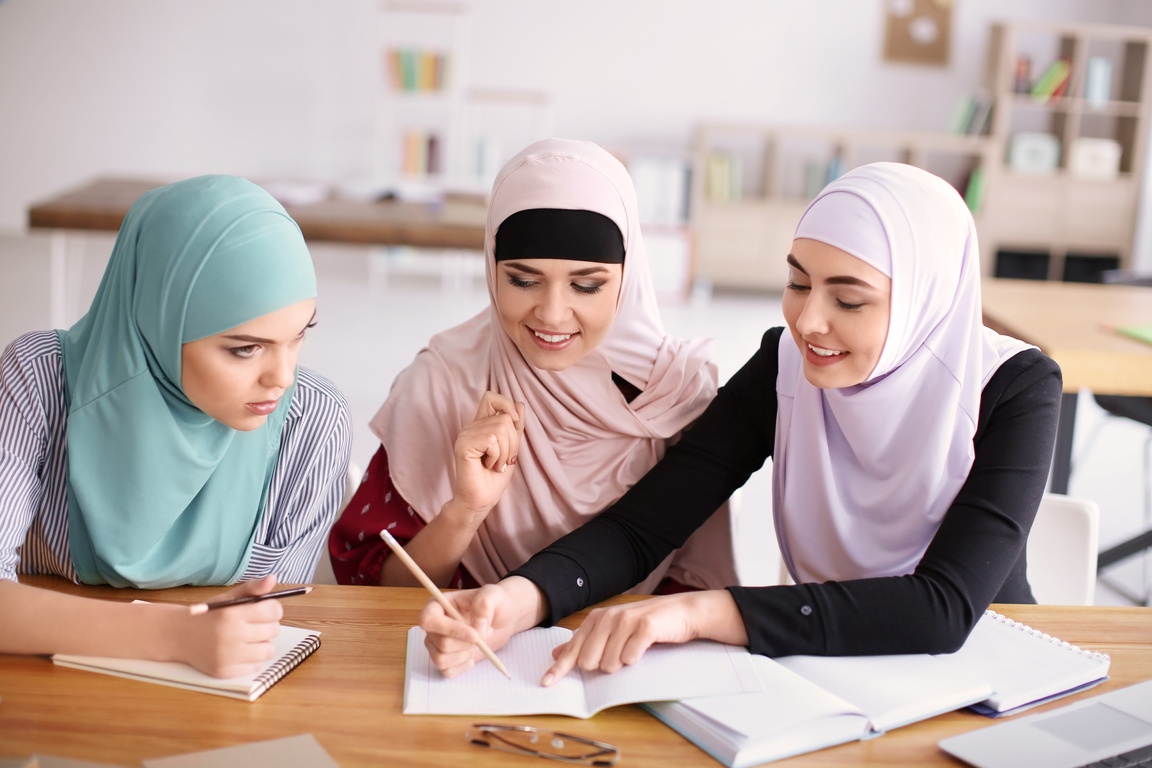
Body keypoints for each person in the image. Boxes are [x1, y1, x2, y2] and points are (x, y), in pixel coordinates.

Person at [417, 161, 1063, 684]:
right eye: (798, 282)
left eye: (848, 298)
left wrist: (702, 612)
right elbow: (645, 526)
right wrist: (520, 600)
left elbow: (943, 610)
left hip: (986, 677)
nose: (808, 321)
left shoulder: (1015, 388)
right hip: (832, 669)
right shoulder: (786, 366)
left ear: (926, 295)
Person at [328, 138, 737, 593]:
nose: (552, 314)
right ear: (491, 268)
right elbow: (376, 592)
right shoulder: (441, 384)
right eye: (523, 280)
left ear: (629, 279)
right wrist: (465, 510)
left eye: (587, 286)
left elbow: (697, 586)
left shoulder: (677, 395)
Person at [0, 175, 351, 678]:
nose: (282, 378)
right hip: (48, 691)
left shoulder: (311, 421)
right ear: (158, 318)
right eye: (245, 348)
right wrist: (172, 637)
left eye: (298, 337)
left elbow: (272, 625)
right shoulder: (40, 381)